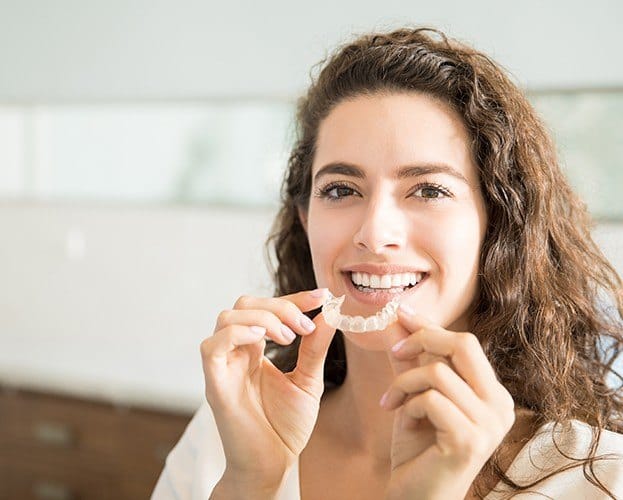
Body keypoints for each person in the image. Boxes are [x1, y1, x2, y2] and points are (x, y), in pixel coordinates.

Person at [151, 27, 623, 499]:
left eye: (429, 190)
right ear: (305, 218)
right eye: (341, 190)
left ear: (497, 225)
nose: (375, 234)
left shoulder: (596, 479)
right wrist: (251, 482)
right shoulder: (228, 438)